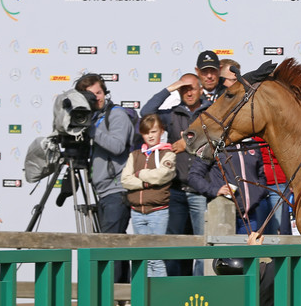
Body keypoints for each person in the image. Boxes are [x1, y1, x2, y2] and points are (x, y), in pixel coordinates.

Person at [141, 73, 210, 276]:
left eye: (192, 88)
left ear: (201, 90)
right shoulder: (172, 114)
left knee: (204, 244)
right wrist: (172, 87)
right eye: (184, 88)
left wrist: (188, 143)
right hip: (176, 190)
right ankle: (174, 289)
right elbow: (146, 112)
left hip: (201, 190)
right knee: (174, 243)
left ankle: (201, 288)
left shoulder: (210, 113)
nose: (188, 92)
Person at [76, 73, 135, 285]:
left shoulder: (116, 114)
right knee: (114, 244)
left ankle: (111, 294)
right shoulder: (90, 119)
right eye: (90, 95)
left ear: (105, 92)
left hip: (117, 190)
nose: (96, 98)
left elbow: (118, 146)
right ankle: (122, 294)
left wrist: (92, 130)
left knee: (110, 244)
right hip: (103, 191)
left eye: (99, 93)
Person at [120, 115, 176, 277]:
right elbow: (125, 180)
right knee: (140, 258)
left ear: (161, 131)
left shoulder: (168, 153)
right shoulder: (135, 154)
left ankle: (159, 298)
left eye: (154, 131)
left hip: (158, 212)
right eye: (146, 133)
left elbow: (162, 176)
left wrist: (139, 174)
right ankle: (141, 297)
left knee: (155, 258)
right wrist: (145, 182)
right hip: (136, 212)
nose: (150, 136)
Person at [188, 143, 268, 234]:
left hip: (250, 216)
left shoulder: (252, 144)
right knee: (224, 247)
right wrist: (214, 190)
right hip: (223, 214)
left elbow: (261, 175)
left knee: (248, 247)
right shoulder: (213, 145)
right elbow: (194, 176)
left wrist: (258, 193)